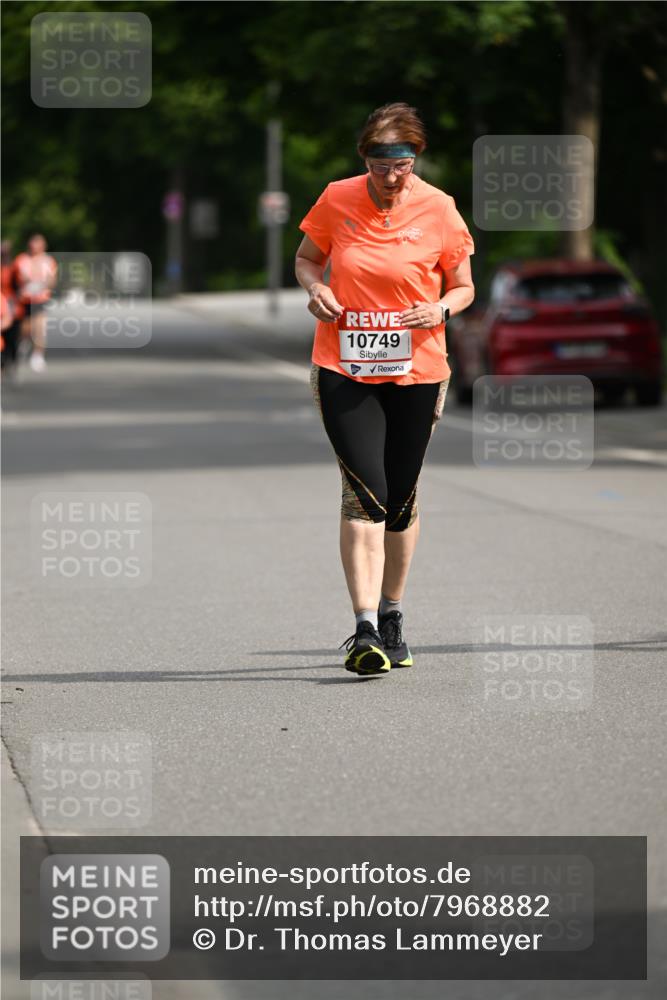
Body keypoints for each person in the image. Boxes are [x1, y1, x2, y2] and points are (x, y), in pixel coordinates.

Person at [295, 102, 475, 678]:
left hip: (419, 370)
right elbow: (305, 258)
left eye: (400, 165)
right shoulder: (336, 198)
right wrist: (314, 289)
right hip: (344, 366)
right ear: (364, 160)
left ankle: (394, 615)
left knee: (400, 498)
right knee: (365, 493)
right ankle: (365, 628)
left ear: (415, 158)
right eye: (379, 165)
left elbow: (465, 286)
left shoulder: (440, 208)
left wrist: (441, 307)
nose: (390, 178)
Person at [14, 233, 58, 373]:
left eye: (39, 244)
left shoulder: (48, 261)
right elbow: (16, 278)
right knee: (26, 328)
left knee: (40, 328)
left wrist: (43, 284)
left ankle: (38, 355)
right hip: (25, 299)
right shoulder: (22, 259)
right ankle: (24, 342)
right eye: (33, 243)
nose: (35, 247)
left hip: (40, 299)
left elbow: (52, 280)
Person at [1, 240, 23, 377]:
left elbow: (19, 288)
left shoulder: (14, 268)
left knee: (12, 337)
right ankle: (2, 364)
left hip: (11, 305)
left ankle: (13, 362)